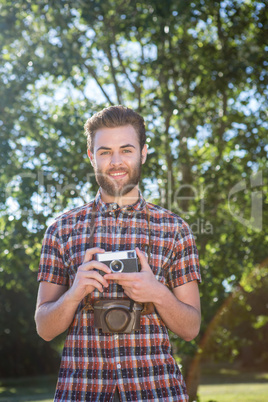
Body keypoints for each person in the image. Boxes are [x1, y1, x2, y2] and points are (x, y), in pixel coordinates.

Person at [35, 105, 201, 402]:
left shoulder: (175, 230)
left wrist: (157, 293)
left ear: (143, 153)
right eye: (104, 152)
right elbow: (44, 329)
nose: (115, 162)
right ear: (91, 156)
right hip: (81, 392)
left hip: (157, 391)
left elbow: (191, 328)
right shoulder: (61, 230)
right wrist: (74, 293)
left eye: (126, 150)